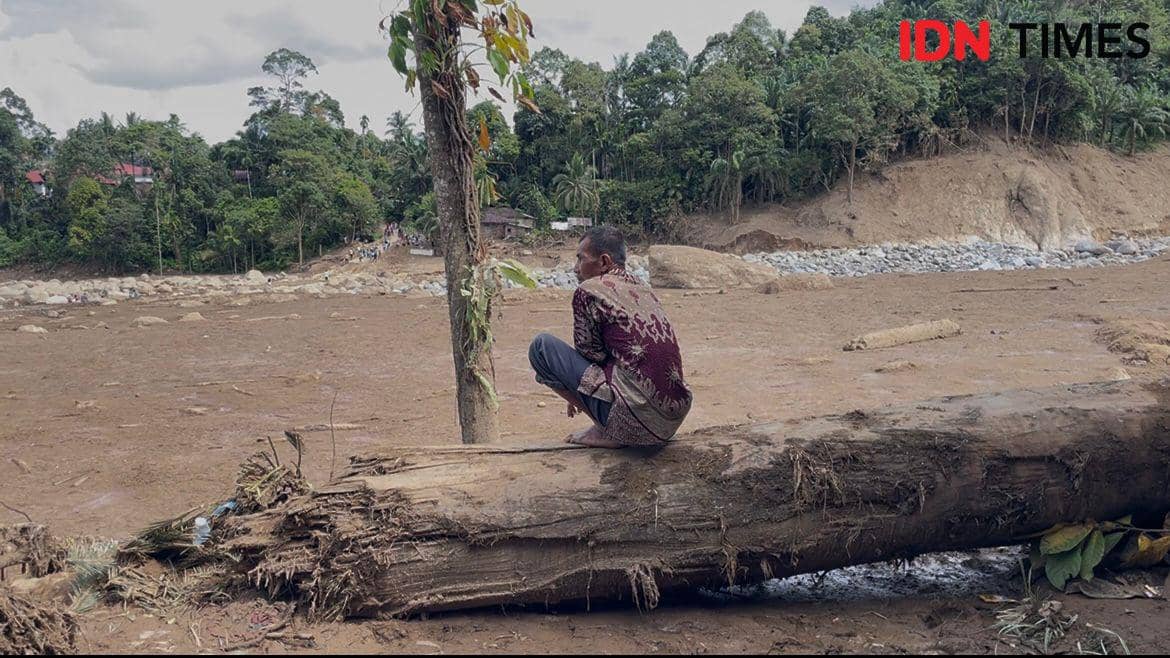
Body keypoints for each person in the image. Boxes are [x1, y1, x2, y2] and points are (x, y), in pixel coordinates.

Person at [528, 226, 692, 448]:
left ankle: (607, 430)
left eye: (581, 259)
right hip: (671, 419)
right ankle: (607, 421)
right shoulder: (642, 288)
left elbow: (590, 353)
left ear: (604, 262)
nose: (575, 269)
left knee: (541, 347)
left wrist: (572, 390)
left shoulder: (589, 289)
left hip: (636, 421)